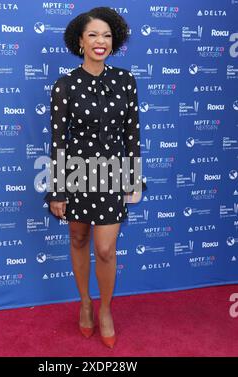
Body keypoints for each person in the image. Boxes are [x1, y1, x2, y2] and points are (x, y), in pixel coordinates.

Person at [43, 7, 147, 349]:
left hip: (113, 171)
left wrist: (133, 178)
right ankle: (85, 303)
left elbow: (132, 133)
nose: (100, 41)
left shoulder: (126, 81)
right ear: (80, 41)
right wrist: (57, 189)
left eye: (107, 35)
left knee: (104, 249)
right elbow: (59, 141)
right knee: (77, 239)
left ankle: (105, 309)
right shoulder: (64, 86)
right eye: (93, 35)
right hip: (76, 171)